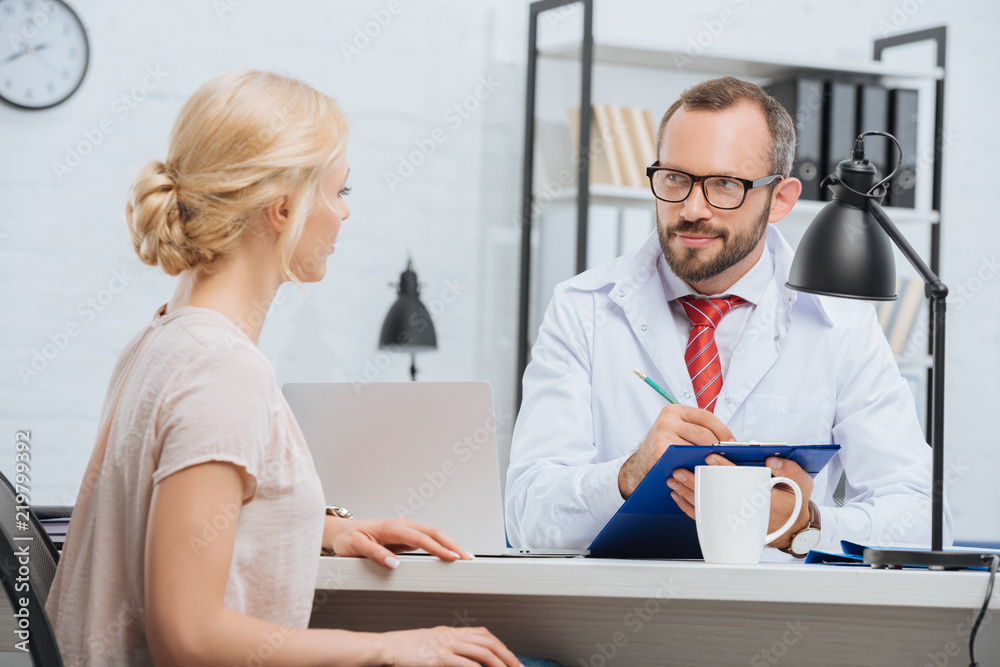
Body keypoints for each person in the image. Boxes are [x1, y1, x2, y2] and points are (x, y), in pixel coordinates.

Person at [45, 69, 529, 667]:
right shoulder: (223, 372)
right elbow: (187, 637)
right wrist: (392, 649)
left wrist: (323, 527)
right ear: (284, 208)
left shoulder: (163, 339)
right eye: (340, 192)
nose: (344, 216)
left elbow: (188, 518)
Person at [505, 76, 952, 559]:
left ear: (780, 199)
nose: (693, 209)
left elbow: (925, 522)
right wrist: (627, 475)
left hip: (779, 624)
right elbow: (526, 517)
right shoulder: (582, 308)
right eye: (675, 178)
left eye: (724, 185)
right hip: (618, 620)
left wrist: (807, 524)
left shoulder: (841, 323)